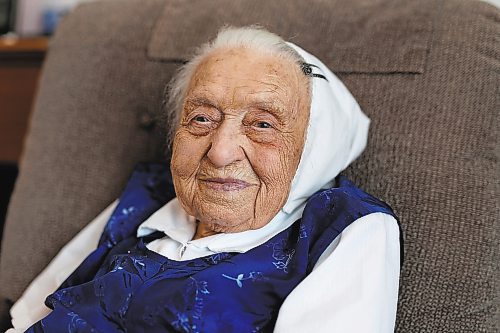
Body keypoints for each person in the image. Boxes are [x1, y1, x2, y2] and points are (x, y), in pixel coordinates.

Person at [7, 26, 402, 332]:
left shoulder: (345, 228)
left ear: (315, 147)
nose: (220, 151)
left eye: (262, 124)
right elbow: (29, 317)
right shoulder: (148, 199)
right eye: (201, 119)